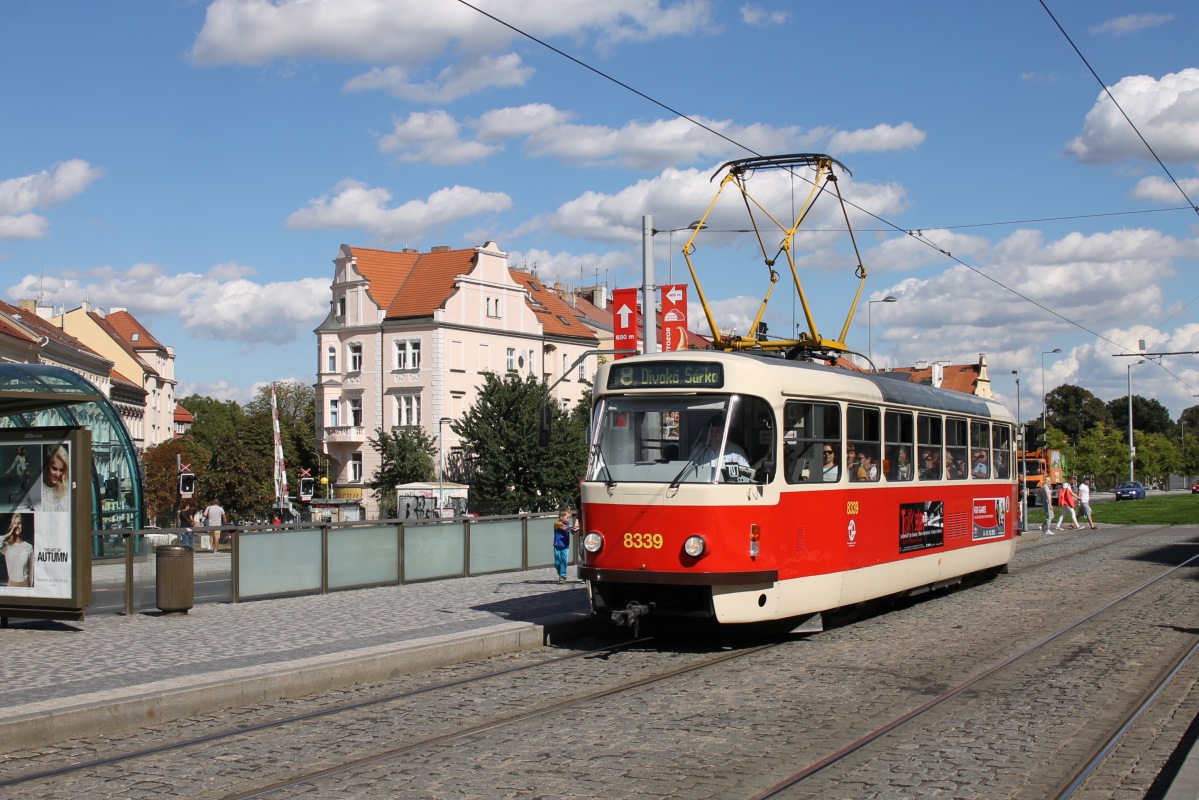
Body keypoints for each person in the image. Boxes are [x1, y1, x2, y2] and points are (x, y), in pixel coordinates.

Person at [1, 514, 34, 587]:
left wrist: (30, 587)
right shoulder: (6, 546)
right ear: (12, 526)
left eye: (19, 523)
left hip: (25, 585)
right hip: (11, 585)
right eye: (15, 523)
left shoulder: (29, 547)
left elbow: (31, 572)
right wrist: (9, 534)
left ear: (22, 525)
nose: (17, 526)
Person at [40, 445, 70, 512]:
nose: (57, 474)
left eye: (61, 470)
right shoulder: (37, 489)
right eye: (54, 469)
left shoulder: (67, 491)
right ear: (47, 466)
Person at [552, 508, 577, 584]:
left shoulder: (568, 524)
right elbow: (563, 528)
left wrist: (573, 530)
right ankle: (560, 572)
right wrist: (571, 528)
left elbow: (571, 531)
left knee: (563, 561)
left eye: (569, 517)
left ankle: (562, 576)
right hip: (557, 545)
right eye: (567, 517)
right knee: (557, 562)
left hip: (565, 546)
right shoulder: (557, 523)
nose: (569, 519)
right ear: (561, 517)